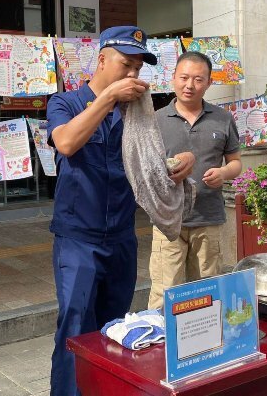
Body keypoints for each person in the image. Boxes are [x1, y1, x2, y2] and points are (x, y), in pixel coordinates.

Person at [46, 26, 194, 395]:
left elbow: (151, 170)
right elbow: (65, 143)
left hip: (122, 237)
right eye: (125, 66)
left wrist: (177, 168)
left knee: (115, 327)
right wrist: (108, 97)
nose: (132, 76)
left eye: (138, 69)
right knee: (76, 326)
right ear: (101, 60)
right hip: (78, 238)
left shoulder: (139, 115)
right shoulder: (65, 103)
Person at [147, 51, 242, 310]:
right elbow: (147, 170)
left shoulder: (223, 119)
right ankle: (160, 345)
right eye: (184, 78)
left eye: (198, 79)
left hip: (209, 218)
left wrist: (223, 173)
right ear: (173, 79)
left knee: (207, 289)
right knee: (165, 290)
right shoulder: (155, 120)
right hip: (169, 221)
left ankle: (206, 343)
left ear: (209, 82)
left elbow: (235, 162)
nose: (190, 85)